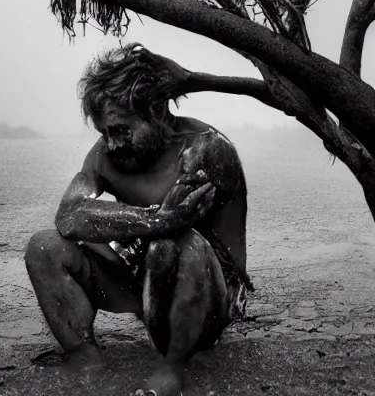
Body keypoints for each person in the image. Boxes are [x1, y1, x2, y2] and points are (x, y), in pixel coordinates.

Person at [24, 43, 252, 396]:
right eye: (105, 133)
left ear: (156, 112)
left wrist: (162, 225)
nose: (112, 144)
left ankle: (172, 366)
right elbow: (69, 216)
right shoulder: (107, 155)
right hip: (141, 280)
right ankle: (83, 354)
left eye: (121, 130)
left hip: (207, 297)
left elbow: (178, 229)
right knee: (44, 247)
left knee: (175, 242)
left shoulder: (204, 150)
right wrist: (156, 220)